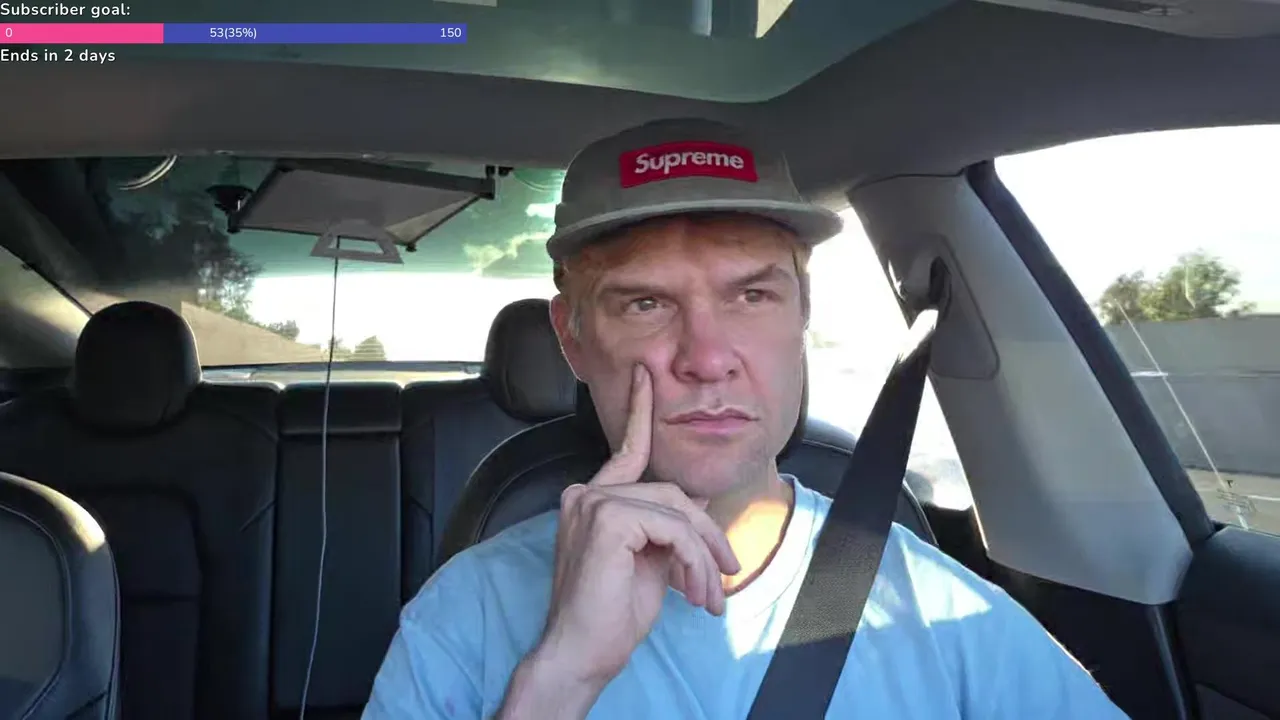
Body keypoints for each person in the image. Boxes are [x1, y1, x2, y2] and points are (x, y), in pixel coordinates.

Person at [362, 118, 1130, 719]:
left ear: (802, 311)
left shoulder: (946, 613)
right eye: (645, 302)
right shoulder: (465, 615)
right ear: (573, 339)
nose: (707, 357)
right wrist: (561, 679)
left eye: (751, 295)